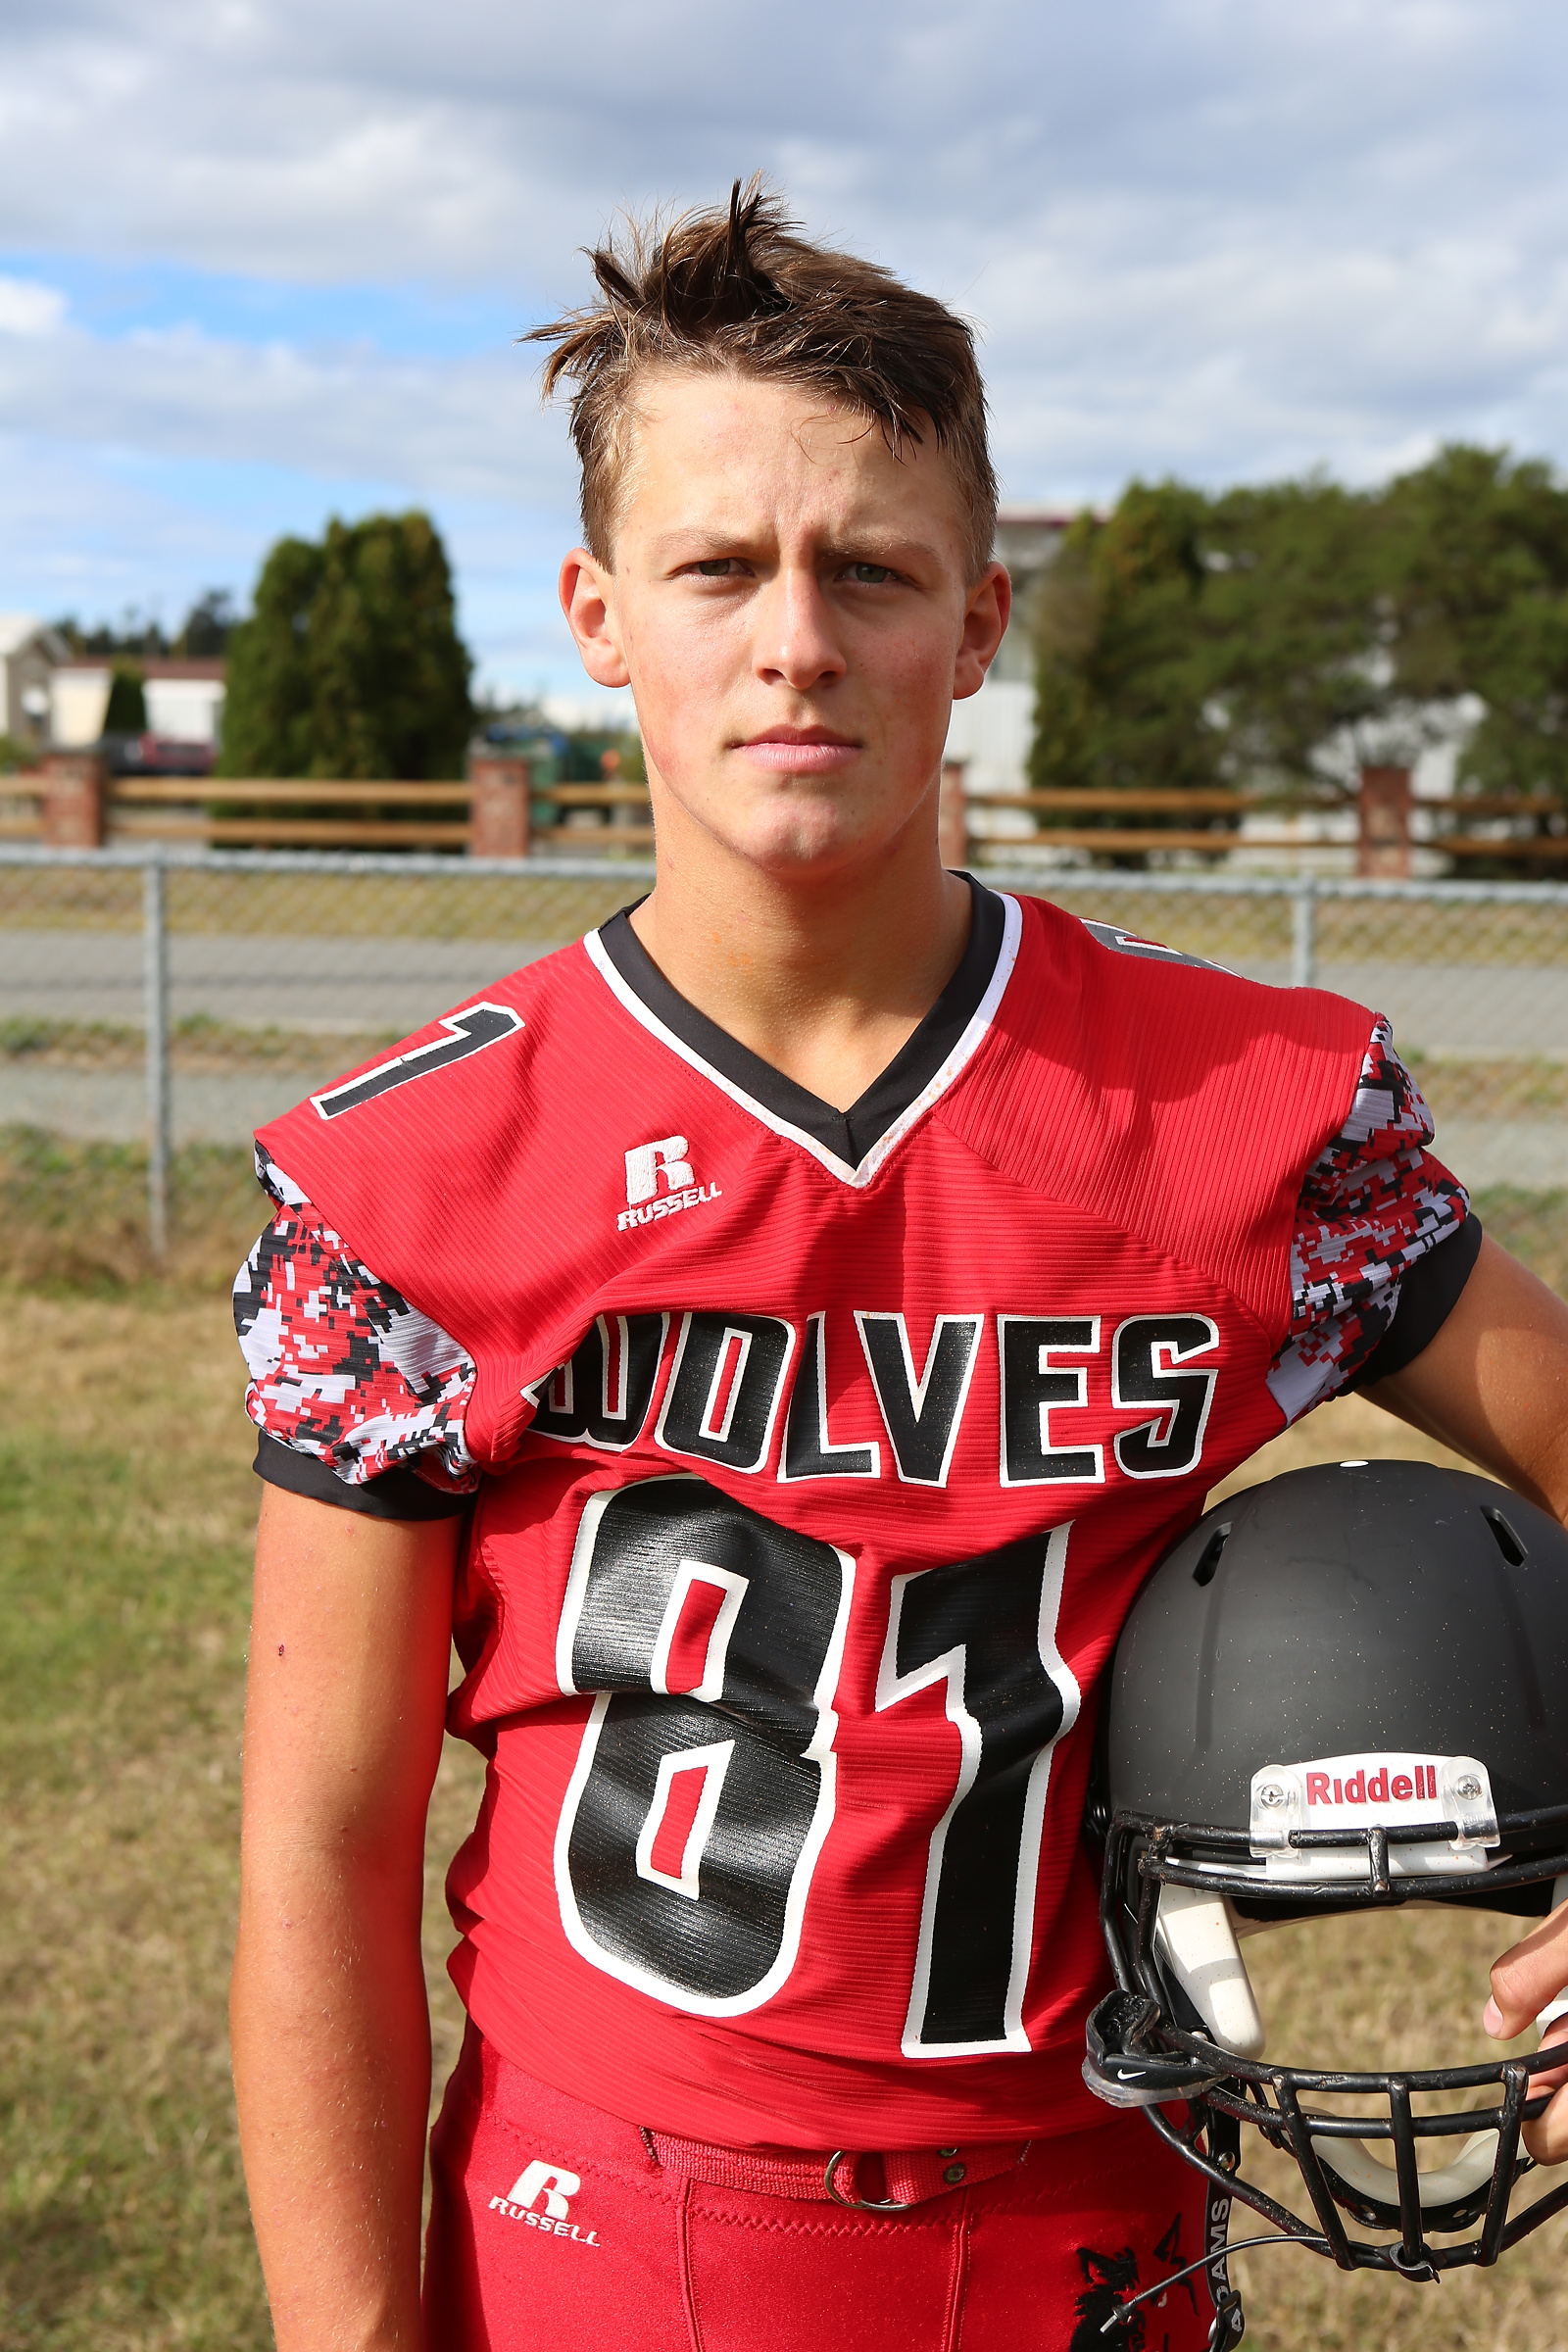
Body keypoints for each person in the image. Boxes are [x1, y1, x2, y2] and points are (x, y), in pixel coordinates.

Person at [228, 180, 1568, 2350]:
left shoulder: (1240, 1111)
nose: (795, 639)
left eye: (869, 567)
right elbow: (320, 1849)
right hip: (603, 2228)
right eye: (716, 568)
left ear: (977, 621)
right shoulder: (411, 1178)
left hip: (1099, 2220)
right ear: (596, 616)